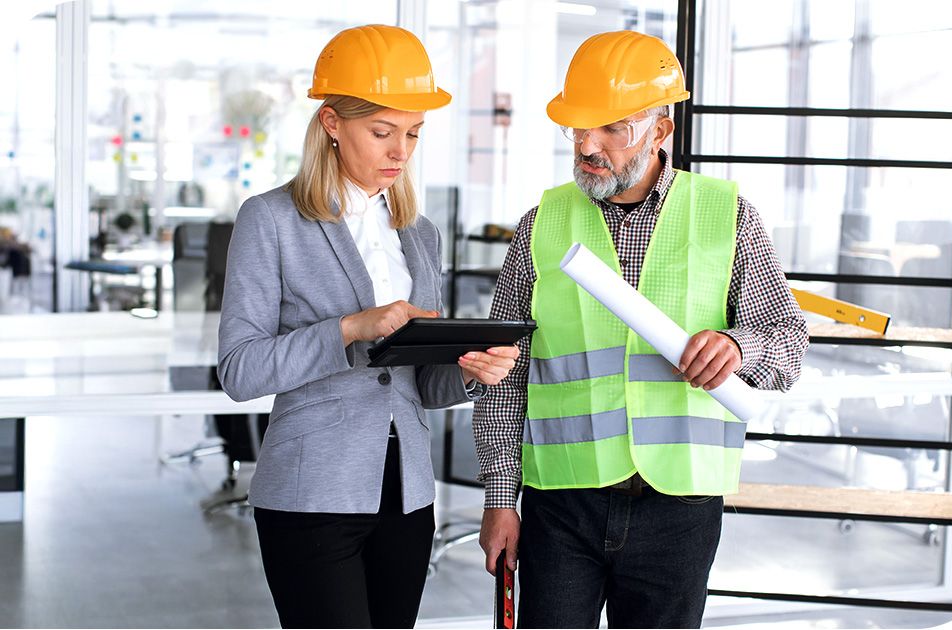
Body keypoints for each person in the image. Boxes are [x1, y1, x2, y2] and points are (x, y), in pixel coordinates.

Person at [473, 30, 809, 629]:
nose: (588, 146)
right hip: (562, 504)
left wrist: (739, 346)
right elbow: (506, 374)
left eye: (612, 129)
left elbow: (786, 345)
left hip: (679, 510)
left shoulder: (725, 215)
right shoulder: (541, 225)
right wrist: (501, 500)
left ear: (661, 130)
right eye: (578, 128)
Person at [217, 25, 519, 629]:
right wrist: (350, 328)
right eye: (381, 132)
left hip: (407, 495)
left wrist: (471, 372)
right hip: (310, 494)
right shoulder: (270, 220)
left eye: (412, 134)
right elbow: (240, 370)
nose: (399, 151)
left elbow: (419, 386)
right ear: (332, 124)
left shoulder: (420, 233)